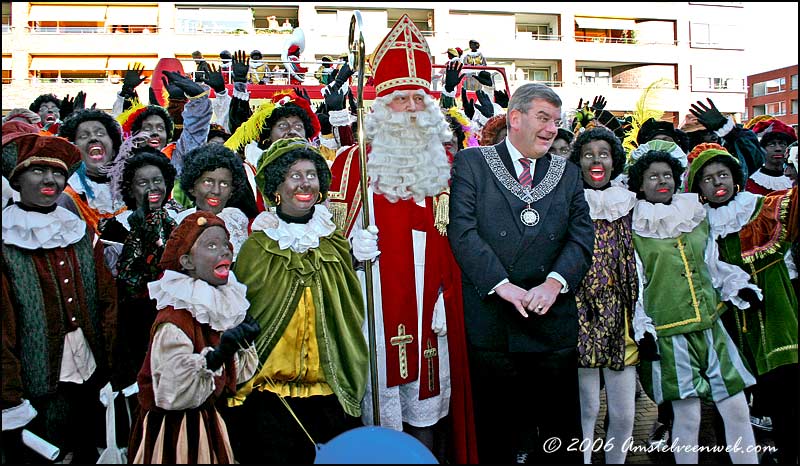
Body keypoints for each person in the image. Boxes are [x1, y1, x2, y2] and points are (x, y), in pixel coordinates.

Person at [327, 15, 477, 464]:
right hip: (371, 304)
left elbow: (456, 243)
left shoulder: (446, 165)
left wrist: (447, 299)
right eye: (401, 99)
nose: (412, 107)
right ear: (380, 105)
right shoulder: (352, 163)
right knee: (378, 404)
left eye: (418, 97)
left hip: (431, 308)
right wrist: (351, 250)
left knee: (428, 407)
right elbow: (327, 242)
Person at [448, 82, 594, 463]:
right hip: (494, 322)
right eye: (543, 118)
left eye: (556, 122)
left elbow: (581, 236)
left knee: (559, 435)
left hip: (552, 321)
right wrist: (502, 285)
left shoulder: (568, 172)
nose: (551, 129)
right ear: (515, 118)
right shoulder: (472, 164)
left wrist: (554, 282)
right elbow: (462, 232)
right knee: (499, 435)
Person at [228, 139, 368, 463]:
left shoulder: (333, 240)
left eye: (311, 174)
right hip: (270, 391)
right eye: (294, 175)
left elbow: (346, 305)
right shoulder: (257, 246)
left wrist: (356, 262)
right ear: (277, 184)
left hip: (328, 386)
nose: (304, 183)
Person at [627, 148, 762, 464]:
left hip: (711, 327)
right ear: (640, 184)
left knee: (738, 410)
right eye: (653, 176)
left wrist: (739, 286)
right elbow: (636, 285)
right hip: (670, 336)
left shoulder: (696, 217)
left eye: (667, 175)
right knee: (687, 420)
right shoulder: (635, 229)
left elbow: (712, 266)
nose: (662, 181)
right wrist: (642, 329)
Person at [687, 143, 798, 463]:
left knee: (785, 398)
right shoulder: (694, 225)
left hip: (775, 316)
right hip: (726, 324)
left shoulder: (764, 208)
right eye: (707, 179)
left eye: (722, 174)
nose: (716, 182)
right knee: (730, 401)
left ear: (736, 179)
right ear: (699, 189)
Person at [1, 134, 110, 463]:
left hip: (90, 376)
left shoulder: (81, 233)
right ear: (18, 180)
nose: (50, 180)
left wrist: (113, 369)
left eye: (58, 173)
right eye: (38, 172)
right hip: (38, 387)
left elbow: (108, 303)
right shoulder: (5, 241)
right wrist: (9, 396)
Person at [127, 211, 260, 463]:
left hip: (207, 420)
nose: (225, 251)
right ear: (187, 261)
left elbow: (235, 378)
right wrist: (217, 356)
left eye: (225, 243)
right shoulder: (174, 320)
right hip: (175, 432)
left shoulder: (212, 310)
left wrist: (241, 346)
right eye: (211, 245)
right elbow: (172, 393)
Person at [568, 126, 644, 464]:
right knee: (587, 410)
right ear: (578, 162)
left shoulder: (630, 204)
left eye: (604, 153)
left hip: (622, 317)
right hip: (579, 315)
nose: (596, 160)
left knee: (625, 414)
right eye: (588, 154)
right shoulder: (569, 201)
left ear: (614, 162)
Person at [111, 148, 179, 394]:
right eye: (143, 182)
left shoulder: (177, 220)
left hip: (173, 320)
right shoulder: (117, 228)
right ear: (131, 189)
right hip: (135, 324)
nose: (152, 188)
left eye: (157, 181)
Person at [57, 109, 127, 236]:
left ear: (114, 146)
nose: (93, 138)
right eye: (83, 136)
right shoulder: (67, 198)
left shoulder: (133, 189)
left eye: (100, 134)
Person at [176, 144, 250, 260]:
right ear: (192, 187)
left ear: (232, 191)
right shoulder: (179, 222)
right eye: (208, 182)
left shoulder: (236, 220)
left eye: (224, 184)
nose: (216, 191)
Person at [746, 117, 796, 195]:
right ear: (761, 148)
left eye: (782, 144)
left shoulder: (795, 180)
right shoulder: (749, 181)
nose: (778, 149)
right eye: (771, 144)